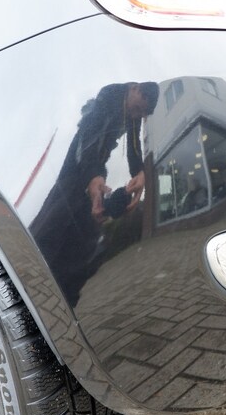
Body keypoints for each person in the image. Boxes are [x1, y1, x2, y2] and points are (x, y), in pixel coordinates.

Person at [30, 81, 159, 307]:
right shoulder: (110, 95)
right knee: (53, 225)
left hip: (96, 168)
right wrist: (92, 174)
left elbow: (133, 145)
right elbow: (89, 133)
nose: (136, 116)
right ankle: (27, 279)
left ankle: (67, 298)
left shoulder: (133, 112)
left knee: (86, 237)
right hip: (76, 168)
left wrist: (139, 172)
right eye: (137, 109)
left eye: (141, 114)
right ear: (135, 89)